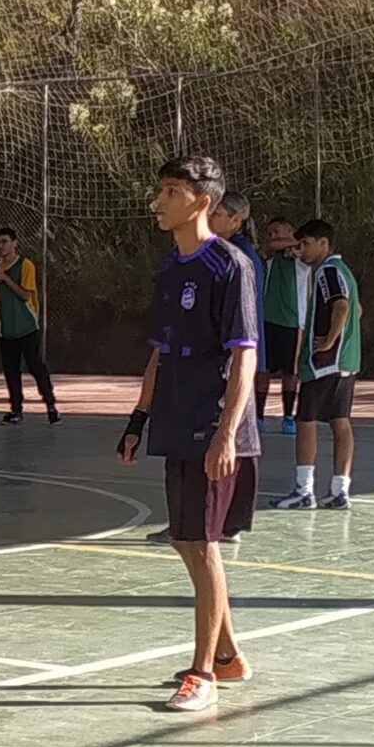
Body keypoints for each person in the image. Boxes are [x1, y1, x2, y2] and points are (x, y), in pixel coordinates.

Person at [115, 155, 262, 713]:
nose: (159, 201)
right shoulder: (169, 269)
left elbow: (244, 357)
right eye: (161, 190)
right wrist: (139, 418)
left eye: (172, 191)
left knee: (203, 545)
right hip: (175, 420)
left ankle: (204, 674)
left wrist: (226, 435)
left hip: (214, 426)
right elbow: (160, 352)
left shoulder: (231, 266)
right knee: (184, 538)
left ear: (201, 201)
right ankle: (228, 654)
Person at [272, 218, 361, 511]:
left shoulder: (327, 271)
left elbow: (342, 307)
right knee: (340, 422)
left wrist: (329, 340)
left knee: (305, 421)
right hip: (346, 361)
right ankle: (340, 490)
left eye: (307, 243)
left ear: (324, 243)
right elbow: (357, 309)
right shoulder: (344, 271)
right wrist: (345, 339)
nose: (302, 250)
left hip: (325, 363)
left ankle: (304, 490)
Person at [0, 226, 58, 426]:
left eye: (5, 242)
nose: (1, 246)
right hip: (6, 329)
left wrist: (6, 278)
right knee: (11, 370)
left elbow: (26, 295)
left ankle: (51, 406)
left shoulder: (25, 265)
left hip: (26, 326)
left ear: (14, 243)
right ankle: (16, 410)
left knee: (36, 366)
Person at [258, 215, 303, 436]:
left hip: (293, 322)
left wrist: (295, 246)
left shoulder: (301, 256)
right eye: (270, 233)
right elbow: (268, 247)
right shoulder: (269, 257)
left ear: (290, 230)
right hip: (267, 320)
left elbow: (302, 248)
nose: (273, 236)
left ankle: (288, 416)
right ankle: (258, 416)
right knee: (263, 370)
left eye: (277, 231)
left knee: (290, 372)